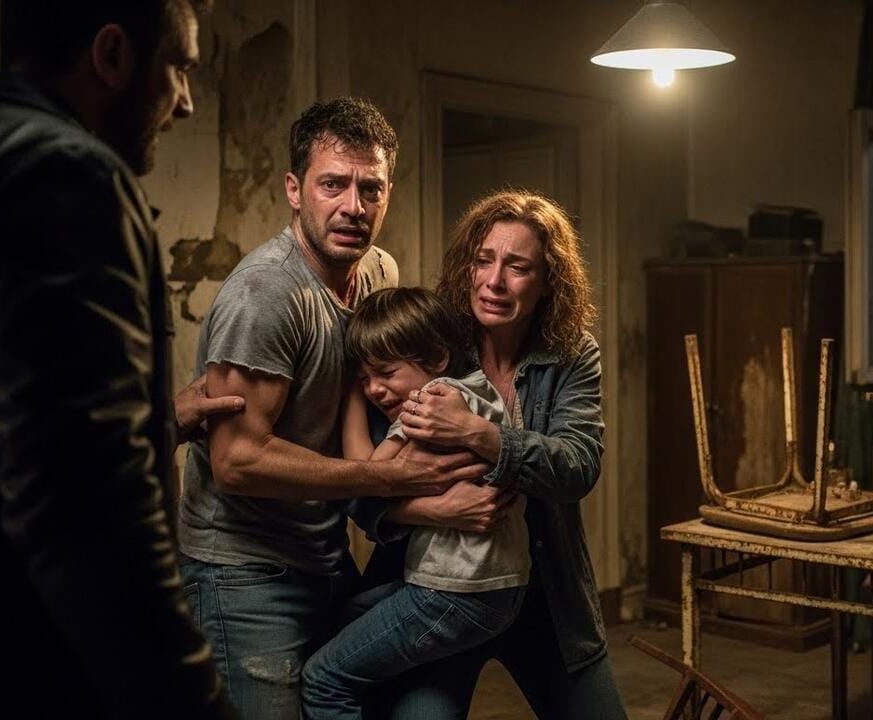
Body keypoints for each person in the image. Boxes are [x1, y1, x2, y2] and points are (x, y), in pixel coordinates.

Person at [177, 96, 491, 717]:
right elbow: (236, 462)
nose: (354, 206)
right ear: (295, 191)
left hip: (325, 555)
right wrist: (389, 479)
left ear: (388, 193)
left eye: (370, 188)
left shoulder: (377, 273)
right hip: (244, 574)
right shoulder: (266, 294)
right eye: (333, 184)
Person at [0, 1, 239, 717]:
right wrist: (192, 699)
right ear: (113, 54)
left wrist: (156, 419)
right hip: (32, 664)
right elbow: (88, 508)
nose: (185, 103)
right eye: (179, 68)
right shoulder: (65, 172)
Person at [372, 190, 627, 719]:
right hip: (441, 592)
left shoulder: (573, 353)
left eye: (518, 267)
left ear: (548, 280)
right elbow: (366, 484)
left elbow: (578, 466)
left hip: (545, 595)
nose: (494, 281)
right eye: (483, 260)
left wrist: (476, 432)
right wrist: (437, 510)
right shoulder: (431, 342)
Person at [301, 287, 528, 719]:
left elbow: (369, 474)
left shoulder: (436, 401)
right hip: (489, 587)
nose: (375, 389)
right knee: (348, 615)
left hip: (456, 593)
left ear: (438, 358)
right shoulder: (475, 389)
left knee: (322, 680)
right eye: (364, 379)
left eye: (386, 372)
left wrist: (350, 392)